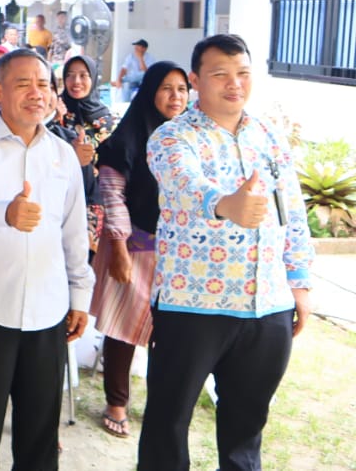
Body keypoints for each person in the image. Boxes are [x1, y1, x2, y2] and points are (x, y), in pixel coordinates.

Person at [138, 34, 314, 471]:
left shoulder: (269, 136)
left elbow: (291, 210)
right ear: (196, 80)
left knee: (245, 430)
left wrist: (300, 282)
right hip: (192, 307)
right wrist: (225, 204)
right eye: (220, 75)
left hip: (266, 307)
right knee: (167, 424)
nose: (234, 84)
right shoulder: (171, 137)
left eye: (243, 74)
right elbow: (183, 182)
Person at [0, 49, 94, 471]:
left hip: (49, 310)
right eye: (23, 83)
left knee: (39, 433)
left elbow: (74, 231)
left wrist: (80, 296)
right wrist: (4, 212)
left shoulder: (62, 155)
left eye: (44, 84)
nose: (37, 93)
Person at [88, 61, 189, 439]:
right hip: (134, 247)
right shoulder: (126, 140)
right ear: (149, 91)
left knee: (173, 332)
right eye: (166, 88)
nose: (175, 96)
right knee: (123, 329)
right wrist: (119, 249)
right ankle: (117, 402)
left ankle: (164, 404)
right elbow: (113, 198)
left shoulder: (190, 138)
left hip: (179, 255)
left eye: (181, 88)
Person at [58, 55, 117, 256]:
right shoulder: (55, 112)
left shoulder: (105, 119)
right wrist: (54, 119)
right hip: (58, 200)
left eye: (83, 75)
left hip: (92, 201)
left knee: (84, 263)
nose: (76, 82)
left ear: (93, 79)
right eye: (71, 76)